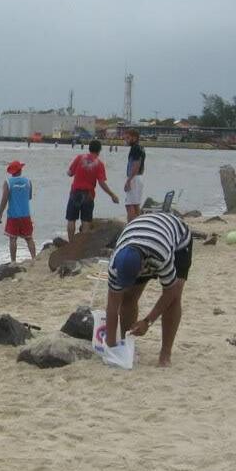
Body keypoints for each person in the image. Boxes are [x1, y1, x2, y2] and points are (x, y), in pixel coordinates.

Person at [105, 212, 192, 367]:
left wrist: (147, 321)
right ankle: (127, 347)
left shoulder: (160, 256)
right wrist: (111, 348)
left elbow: (170, 292)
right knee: (128, 296)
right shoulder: (114, 265)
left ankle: (165, 355)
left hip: (178, 239)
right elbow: (112, 306)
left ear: (142, 269)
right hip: (140, 235)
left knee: (174, 298)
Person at [65, 140, 119, 241]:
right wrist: (112, 195)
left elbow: (69, 173)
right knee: (86, 220)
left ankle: (70, 243)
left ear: (89, 148)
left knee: (71, 219)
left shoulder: (79, 158)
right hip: (88, 194)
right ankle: (82, 245)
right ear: (99, 150)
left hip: (75, 192)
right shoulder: (99, 164)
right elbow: (102, 183)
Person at [0, 160, 36, 262]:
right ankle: (34, 258)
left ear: (12, 172)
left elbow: (4, 200)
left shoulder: (8, 182)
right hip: (25, 214)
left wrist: (0, 214)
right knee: (29, 238)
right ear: (20, 170)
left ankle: (13, 261)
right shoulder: (28, 181)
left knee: (13, 239)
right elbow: (29, 197)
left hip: (13, 215)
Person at [124, 129, 146, 222]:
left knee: (129, 205)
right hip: (139, 177)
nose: (126, 140)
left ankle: (131, 225)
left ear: (134, 138)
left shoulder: (135, 148)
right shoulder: (141, 148)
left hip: (134, 178)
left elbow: (136, 165)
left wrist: (129, 180)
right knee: (136, 204)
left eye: (128, 138)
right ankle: (139, 224)